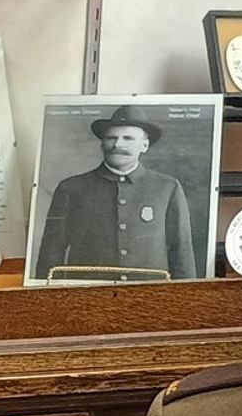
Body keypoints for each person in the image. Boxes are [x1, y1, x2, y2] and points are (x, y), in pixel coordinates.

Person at [33, 104, 197, 282]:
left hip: (151, 297)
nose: (118, 144)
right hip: (89, 298)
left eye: (128, 138)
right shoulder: (71, 189)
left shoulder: (167, 188)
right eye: (111, 138)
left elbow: (182, 252)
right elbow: (51, 252)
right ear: (102, 144)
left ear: (144, 145)